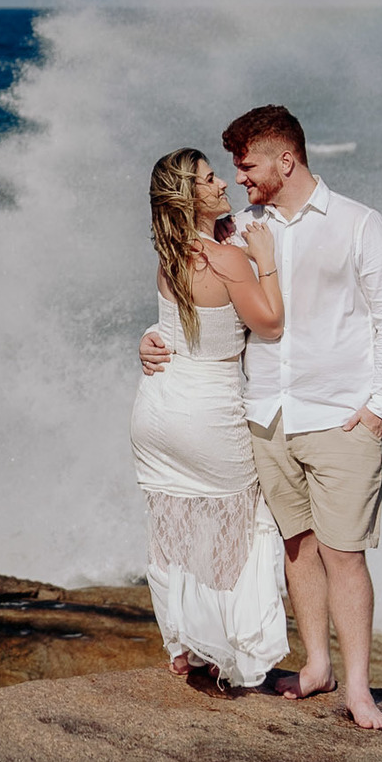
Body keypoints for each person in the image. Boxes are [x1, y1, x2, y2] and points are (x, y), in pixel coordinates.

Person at [141, 105, 382, 730]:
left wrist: (380, 407)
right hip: (262, 412)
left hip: (341, 415)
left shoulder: (359, 224)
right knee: (295, 544)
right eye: (228, 168)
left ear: (285, 160)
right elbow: (189, 295)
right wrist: (151, 339)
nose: (237, 178)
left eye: (247, 164)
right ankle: (317, 667)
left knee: (344, 553)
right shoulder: (238, 229)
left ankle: (359, 690)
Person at [130, 147, 289, 689]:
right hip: (208, 412)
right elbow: (268, 325)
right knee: (241, 522)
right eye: (209, 179)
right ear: (190, 198)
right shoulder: (228, 259)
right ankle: (227, 648)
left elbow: (167, 330)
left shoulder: (169, 256)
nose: (222, 184)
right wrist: (264, 258)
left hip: (155, 410)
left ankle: (185, 645)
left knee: (175, 528)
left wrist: (143, 343)